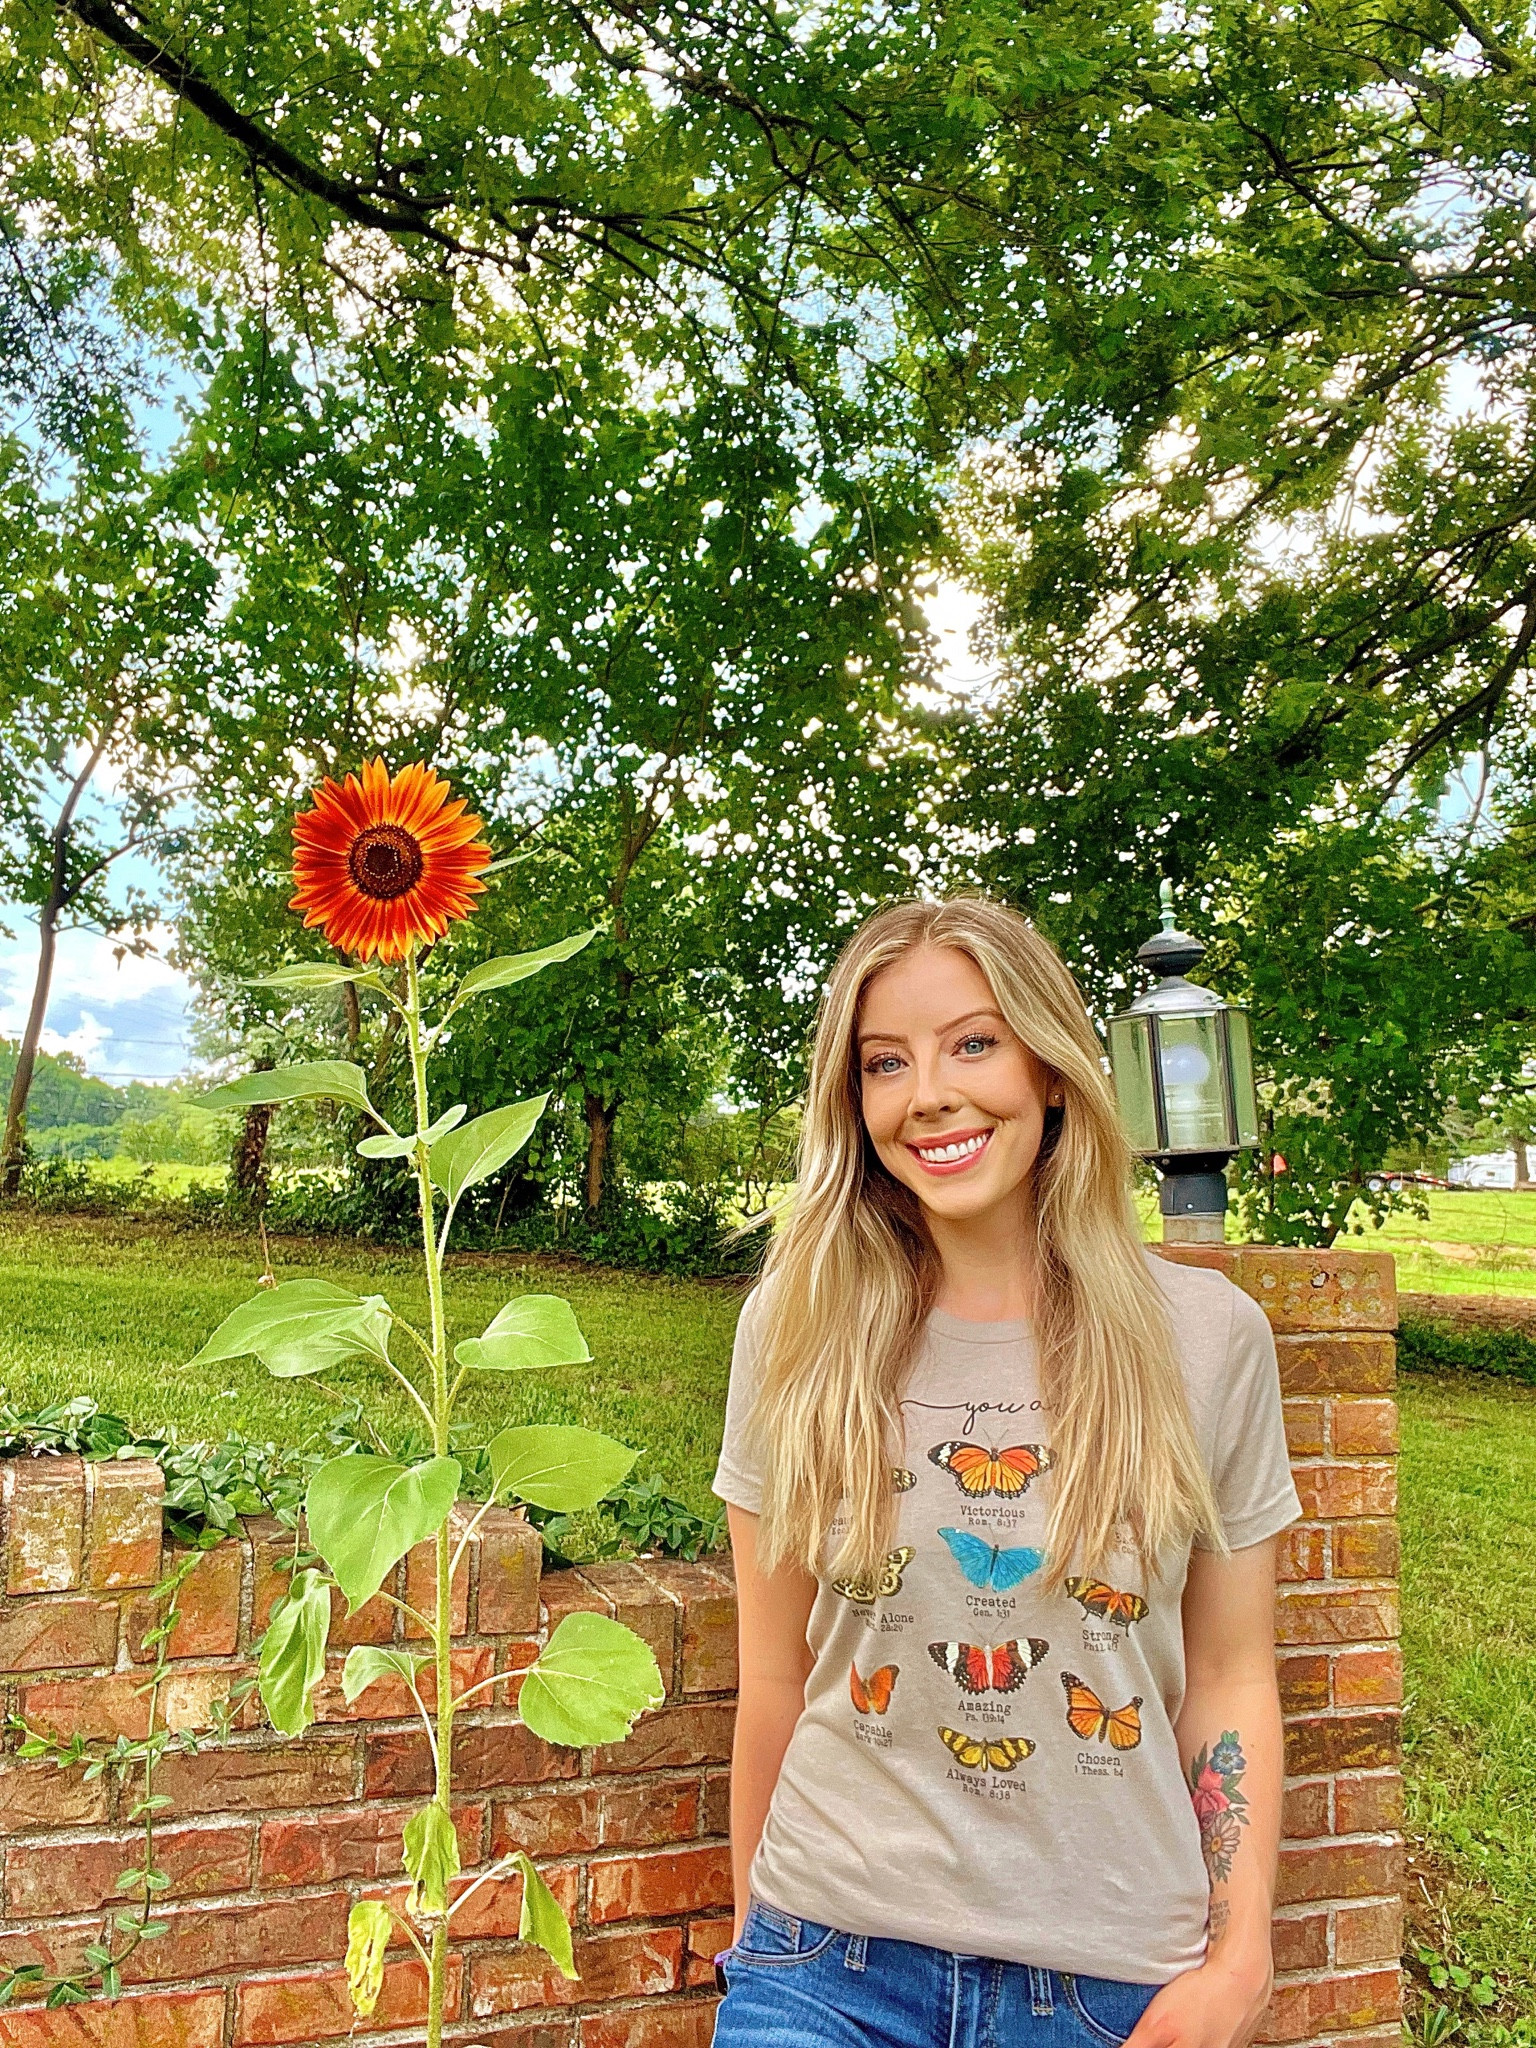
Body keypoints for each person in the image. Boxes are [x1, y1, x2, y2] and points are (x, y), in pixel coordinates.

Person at [711, 897, 1299, 2048]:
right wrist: (756, 1938)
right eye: (886, 1061)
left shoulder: (1209, 1336)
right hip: (826, 1963)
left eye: (972, 1042)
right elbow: (773, 1671)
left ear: (1052, 1069)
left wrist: (1241, 1956)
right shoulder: (796, 1325)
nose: (927, 1090)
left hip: (1109, 1986)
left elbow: (1230, 1674)